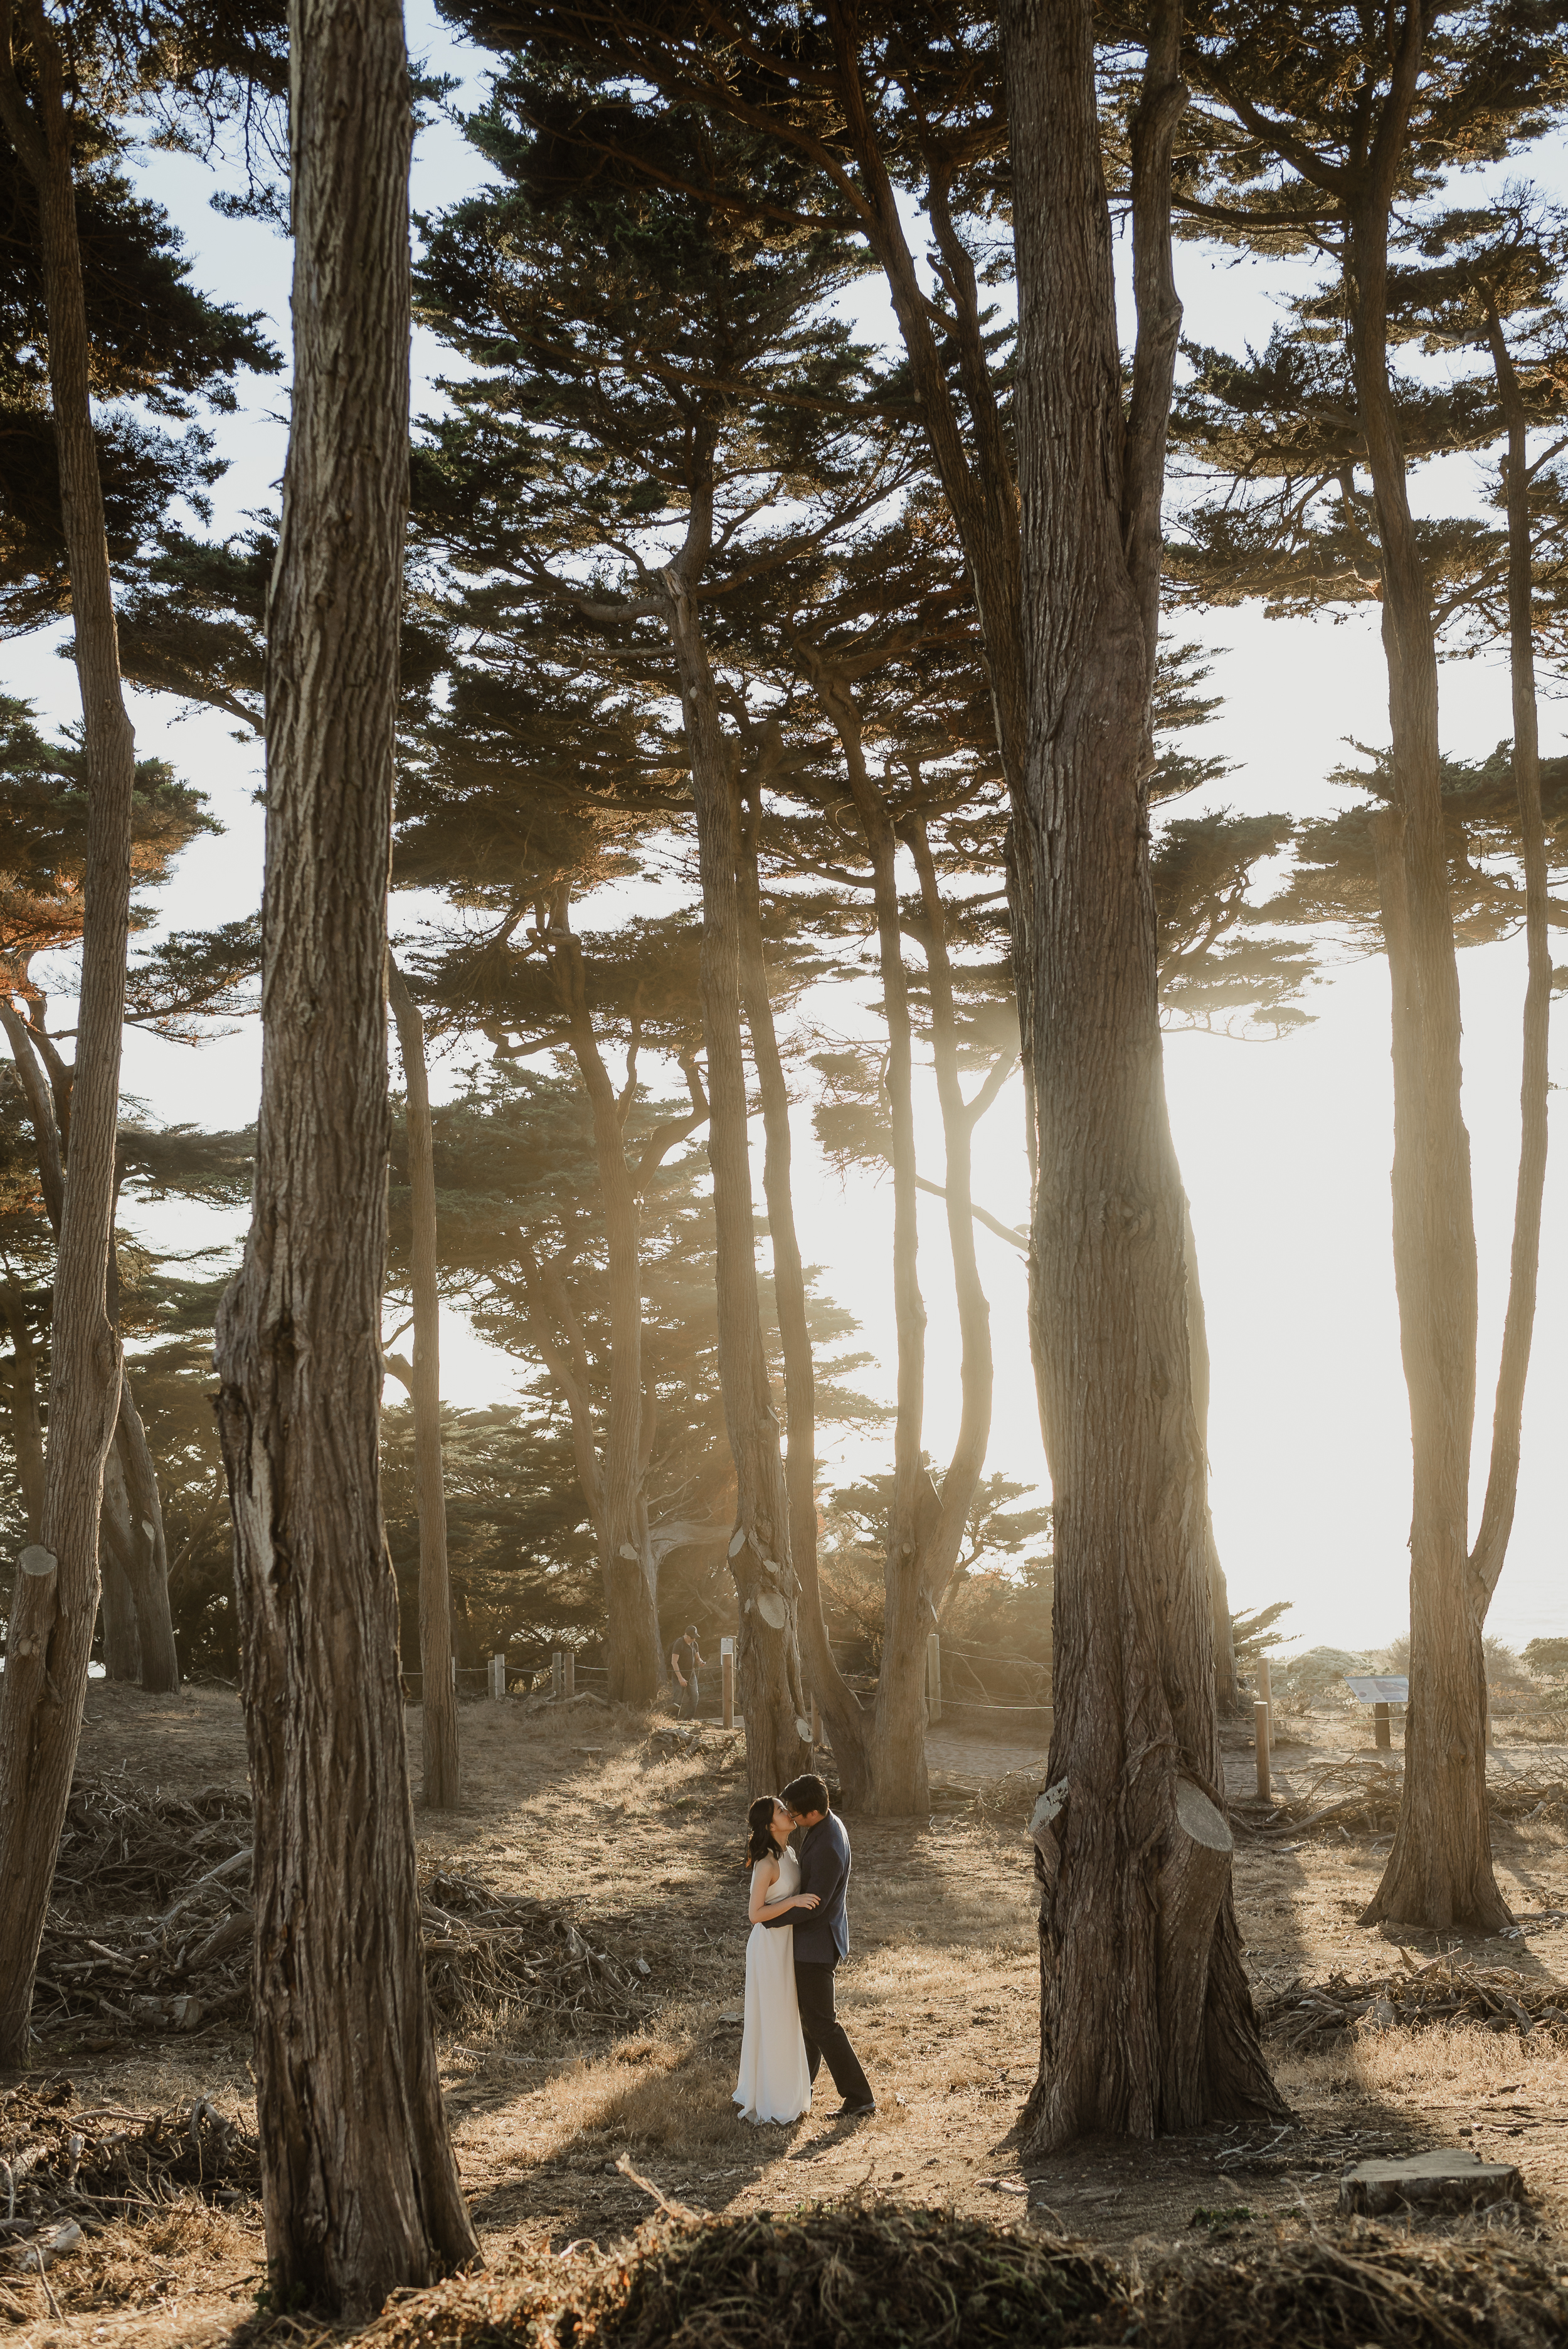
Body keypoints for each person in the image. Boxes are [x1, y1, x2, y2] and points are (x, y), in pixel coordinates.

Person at [765, 1772, 874, 2119]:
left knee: (822, 2023)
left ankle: (859, 2097)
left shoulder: (827, 1845)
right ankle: (803, 2089)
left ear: (813, 1813)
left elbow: (817, 1906)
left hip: (816, 1944)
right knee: (811, 2021)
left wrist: (773, 1919)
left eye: (796, 1815)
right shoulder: (827, 1825)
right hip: (816, 1941)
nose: (792, 1820)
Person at [733, 1795, 818, 2124]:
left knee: (789, 2017)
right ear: (771, 1825)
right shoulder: (766, 1863)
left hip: (789, 1945)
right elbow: (755, 1914)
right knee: (775, 2019)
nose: (788, 1812)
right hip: (769, 1948)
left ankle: (792, 2094)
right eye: (781, 1811)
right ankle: (773, 2100)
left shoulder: (791, 1853)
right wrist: (794, 1901)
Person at [670, 1624, 704, 1719]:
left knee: (695, 1697)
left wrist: (700, 1662)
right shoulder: (679, 1644)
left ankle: (688, 1719)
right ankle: (672, 1719)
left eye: (695, 1637)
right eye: (692, 1637)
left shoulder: (694, 1644)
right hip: (678, 1676)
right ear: (686, 1635)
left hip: (691, 1675)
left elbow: (697, 1658)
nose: (694, 1639)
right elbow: (674, 1662)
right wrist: (680, 1678)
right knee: (678, 1699)